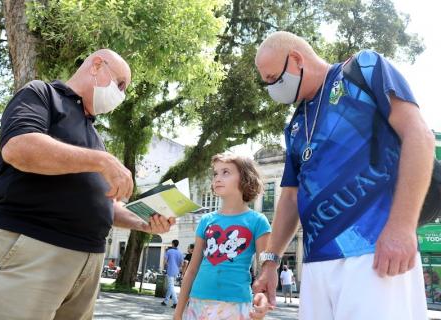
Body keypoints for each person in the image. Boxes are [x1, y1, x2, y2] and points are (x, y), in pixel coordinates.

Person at [0, 49, 175, 320]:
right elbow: (18, 148)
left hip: (86, 261)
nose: (121, 95)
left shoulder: (94, 136)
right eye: (120, 84)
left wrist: (142, 221)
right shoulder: (41, 94)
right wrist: (102, 161)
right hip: (32, 246)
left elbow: (106, 205)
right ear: (97, 65)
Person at [253, 31, 435, 320]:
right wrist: (271, 262)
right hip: (316, 263)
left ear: (297, 60)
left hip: (372, 252)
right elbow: (290, 196)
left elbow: (419, 136)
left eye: (274, 78)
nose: (272, 88)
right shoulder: (296, 125)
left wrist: (402, 227)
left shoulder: (364, 68)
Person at [174, 153, 273, 320]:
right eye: (215, 173)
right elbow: (192, 270)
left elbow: (265, 271)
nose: (218, 178)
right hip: (198, 303)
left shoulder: (258, 221)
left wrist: (262, 302)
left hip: (237, 305)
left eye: (226, 172)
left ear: (245, 178)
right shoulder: (206, 220)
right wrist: (178, 313)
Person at [162, 239, 184, 308]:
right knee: (170, 286)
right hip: (176, 271)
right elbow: (182, 264)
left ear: (172, 244)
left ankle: (176, 302)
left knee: (171, 286)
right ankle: (165, 301)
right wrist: (177, 267)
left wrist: (169, 265)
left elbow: (165, 262)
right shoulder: (180, 253)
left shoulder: (169, 251)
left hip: (170, 270)